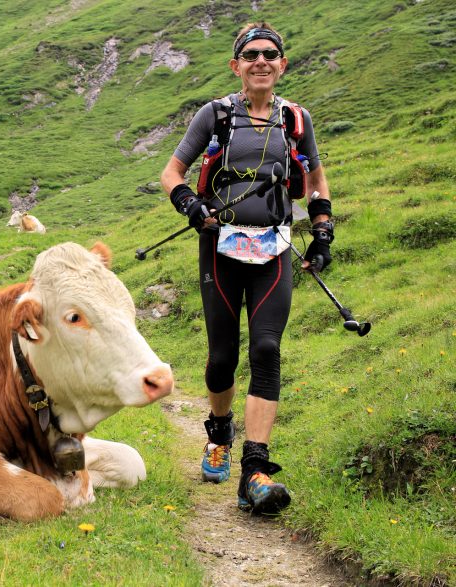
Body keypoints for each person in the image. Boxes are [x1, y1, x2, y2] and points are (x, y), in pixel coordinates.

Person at [159, 22, 333, 514]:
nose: (261, 60)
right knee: (221, 358)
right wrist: (189, 203)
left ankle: (254, 470)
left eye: (270, 54)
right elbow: (171, 172)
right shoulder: (214, 116)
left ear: (282, 64)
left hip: (274, 247)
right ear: (236, 66)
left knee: (267, 347)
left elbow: (316, 179)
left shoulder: (296, 120)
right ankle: (219, 432)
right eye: (250, 54)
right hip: (220, 247)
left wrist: (322, 229)